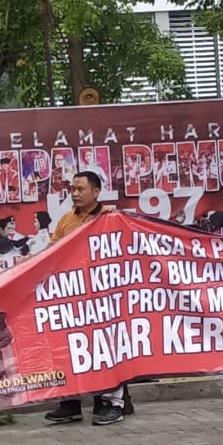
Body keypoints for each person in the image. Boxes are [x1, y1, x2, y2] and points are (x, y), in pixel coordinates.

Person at [43, 172, 134, 426]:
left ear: (96, 192)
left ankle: (111, 403)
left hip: (104, 297)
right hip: (73, 296)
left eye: (80, 189)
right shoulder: (66, 219)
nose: (75, 193)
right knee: (70, 347)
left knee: (106, 347)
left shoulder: (111, 218)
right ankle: (70, 402)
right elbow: (52, 252)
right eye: (72, 189)